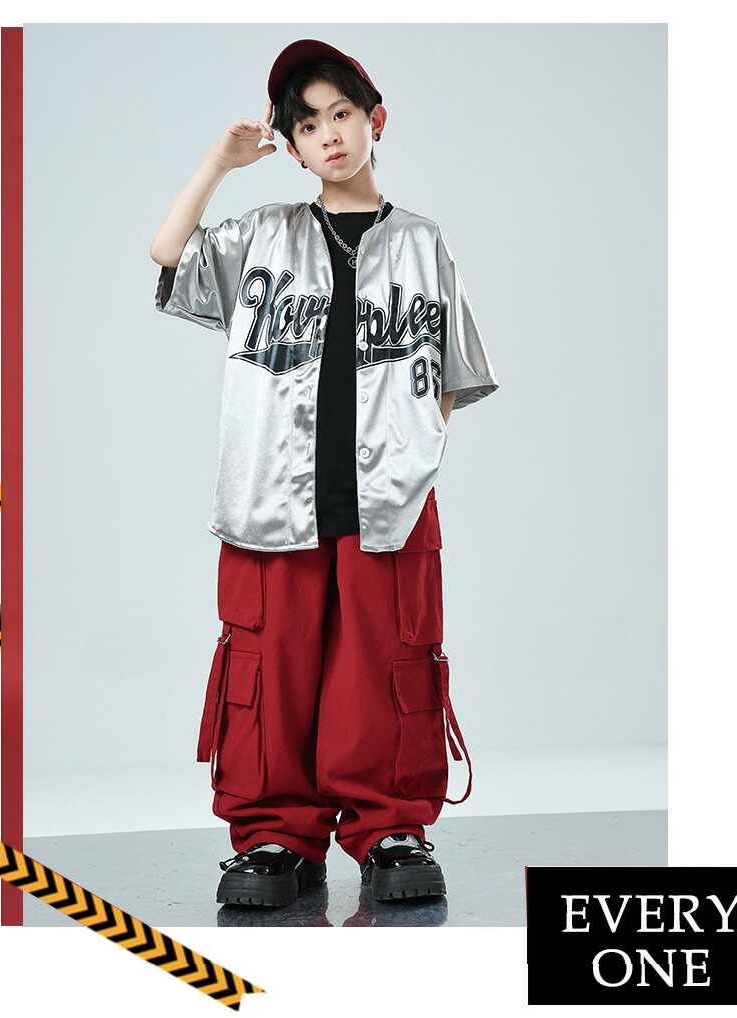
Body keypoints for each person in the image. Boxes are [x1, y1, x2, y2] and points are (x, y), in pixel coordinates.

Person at [150, 39, 499, 908]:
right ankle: (275, 836)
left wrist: (415, 454)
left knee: (386, 663)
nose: (329, 134)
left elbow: (452, 374)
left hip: (389, 501)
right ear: (294, 148)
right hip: (271, 494)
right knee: (272, 664)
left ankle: (391, 829)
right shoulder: (264, 234)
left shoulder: (421, 242)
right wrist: (219, 164)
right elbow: (167, 252)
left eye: (342, 114)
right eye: (307, 125)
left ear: (375, 121)